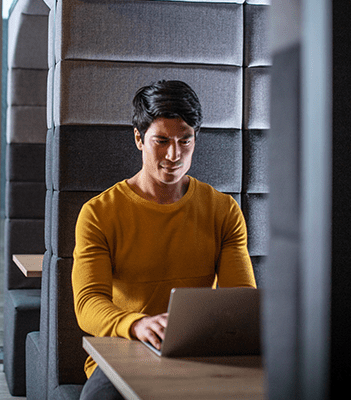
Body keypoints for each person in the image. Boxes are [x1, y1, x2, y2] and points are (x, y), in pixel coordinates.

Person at [72, 80, 257, 400]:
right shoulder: (99, 213)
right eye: (161, 140)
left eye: (185, 141)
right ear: (138, 138)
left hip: (200, 351)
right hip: (125, 349)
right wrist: (137, 324)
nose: (175, 154)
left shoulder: (223, 210)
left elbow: (240, 299)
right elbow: (88, 303)